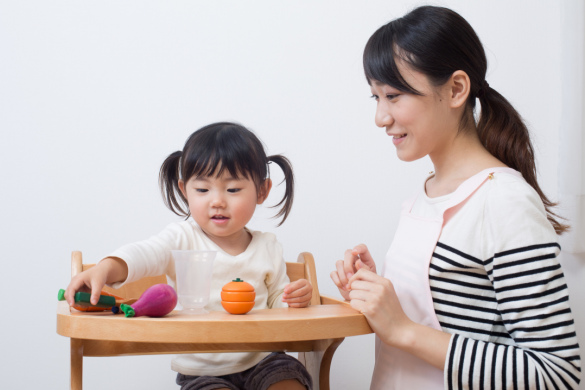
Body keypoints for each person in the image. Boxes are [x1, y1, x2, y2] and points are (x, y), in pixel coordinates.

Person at [330, 6, 581, 390]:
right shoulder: (427, 194)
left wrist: (404, 329)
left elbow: (557, 373)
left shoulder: (504, 201)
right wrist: (377, 293)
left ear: (456, 89)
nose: (381, 117)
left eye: (394, 95)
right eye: (376, 97)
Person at [65, 122, 313, 390]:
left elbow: (279, 301)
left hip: (265, 359)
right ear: (185, 191)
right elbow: (144, 254)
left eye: (232, 190)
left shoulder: (268, 247)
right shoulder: (181, 239)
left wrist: (293, 299)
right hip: (202, 371)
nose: (217, 201)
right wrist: (105, 269)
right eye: (203, 190)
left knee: (290, 380)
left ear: (262, 191)